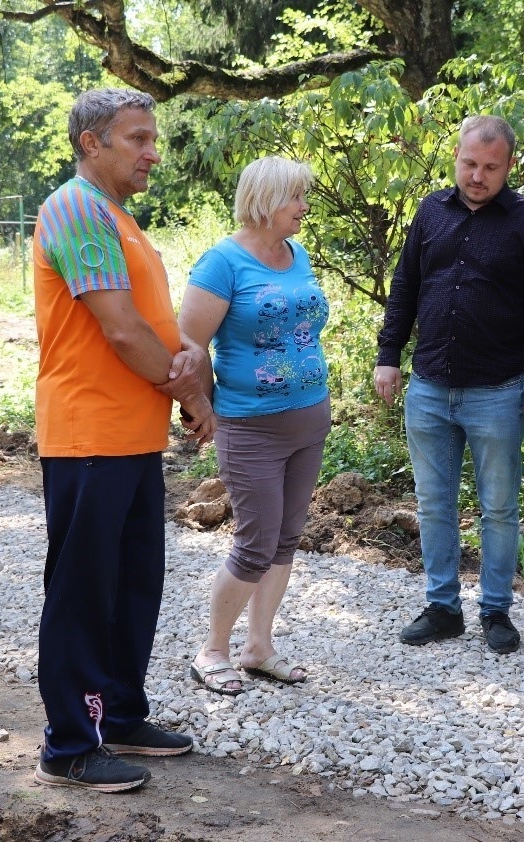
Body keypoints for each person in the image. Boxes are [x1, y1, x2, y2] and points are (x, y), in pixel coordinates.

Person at [31, 88, 215, 792]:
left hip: (134, 437)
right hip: (89, 436)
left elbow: (156, 324)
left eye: (152, 138)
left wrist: (193, 362)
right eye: (138, 138)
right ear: (92, 143)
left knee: (133, 587)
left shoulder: (120, 219)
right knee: (83, 592)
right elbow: (121, 329)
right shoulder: (75, 209)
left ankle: (120, 715)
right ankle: (70, 745)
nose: (152, 153)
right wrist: (190, 394)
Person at [374, 115, 524, 655]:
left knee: (499, 507)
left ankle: (496, 610)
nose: (478, 176)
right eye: (469, 164)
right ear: (456, 158)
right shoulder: (430, 211)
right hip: (429, 386)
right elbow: (405, 286)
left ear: (509, 166)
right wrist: (389, 355)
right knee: (433, 504)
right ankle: (443, 607)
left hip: (497, 391)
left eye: (490, 167)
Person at [182, 155, 331, 696]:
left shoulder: (297, 254)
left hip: (309, 420)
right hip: (251, 428)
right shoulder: (222, 263)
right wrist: (200, 408)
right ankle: (212, 650)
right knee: (255, 541)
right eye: (297, 197)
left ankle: (259, 648)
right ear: (267, 200)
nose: (305, 207)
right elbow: (190, 345)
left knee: (285, 539)